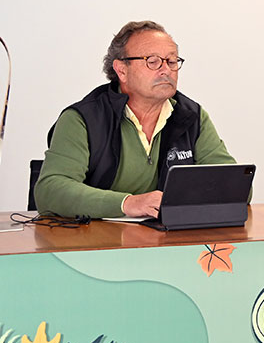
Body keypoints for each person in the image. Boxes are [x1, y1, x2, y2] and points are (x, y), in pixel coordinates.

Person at [35, 21, 237, 218]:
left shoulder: (191, 116)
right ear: (122, 70)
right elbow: (50, 191)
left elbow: (235, 186)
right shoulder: (82, 119)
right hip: (94, 241)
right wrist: (127, 203)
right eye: (153, 61)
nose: (166, 70)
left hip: (166, 240)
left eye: (172, 61)